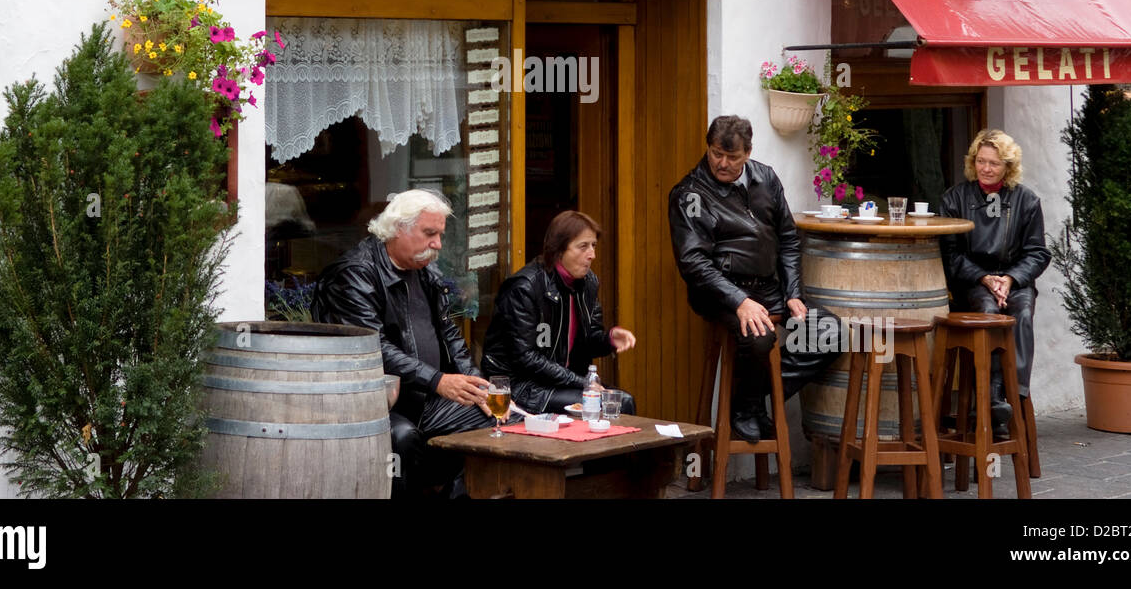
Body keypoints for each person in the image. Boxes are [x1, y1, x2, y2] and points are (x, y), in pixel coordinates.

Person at [668, 115, 842, 442]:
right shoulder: (690, 193)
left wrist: (792, 293)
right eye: (716, 153)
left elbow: (789, 239)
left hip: (769, 289)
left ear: (748, 152)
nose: (721, 163)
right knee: (760, 337)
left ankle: (750, 401)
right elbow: (692, 262)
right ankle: (747, 409)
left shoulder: (767, 178)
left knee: (829, 332)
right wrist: (739, 301)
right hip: (720, 293)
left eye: (732, 157)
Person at [311, 189, 493, 497]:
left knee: (501, 419)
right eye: (429, 234)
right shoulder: (356, 272)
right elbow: (371, 347)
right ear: (398, 228)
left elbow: (449, 334)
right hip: (371, 401)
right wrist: (437, 380)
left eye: (439, 235)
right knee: (404, 438)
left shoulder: (426, 271)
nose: (437, 244)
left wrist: (476, 386)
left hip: (425, 399)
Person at [939, 129, 1050, 436]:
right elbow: (950, 255)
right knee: (988, 311)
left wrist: (1010, 279)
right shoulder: (954, 198)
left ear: (1008, 167)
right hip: (973, 280)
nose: (986, 168)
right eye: (981, 161)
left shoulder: (1026, 201)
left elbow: (1038, 253)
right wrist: (985, 278)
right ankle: (990, 398)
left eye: (995, 163)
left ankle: (1011, 396)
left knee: (1021, 314)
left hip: (1014, 280)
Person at [482, 210, 638, 415]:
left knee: (620, 400)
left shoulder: (588, 283)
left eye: (593, 246)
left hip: (561, 382)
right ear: (558, 250)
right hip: (523, 387)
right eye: (583, 246)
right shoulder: (525, 287)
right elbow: (526, 357)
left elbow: (588, 340)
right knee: (619, 403)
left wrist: (608, 339)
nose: (592, 255)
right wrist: (580, 382)